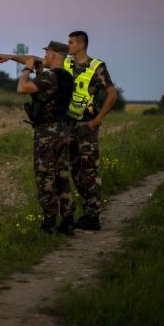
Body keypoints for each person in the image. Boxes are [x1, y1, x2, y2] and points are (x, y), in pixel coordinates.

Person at [0, 42, 76, 235]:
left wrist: (27, 69)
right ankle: (68, 219)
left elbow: (22, 88)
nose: (44, 56)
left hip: (47, 132)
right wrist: (11, 56)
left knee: (44, 176)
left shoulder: (49, 76)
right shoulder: (65, 75)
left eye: (47, 53)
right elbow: (34, 59)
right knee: (61, 175)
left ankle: (49, 222)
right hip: (63, 130)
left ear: (55, 55)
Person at [63, 30, 118, 231]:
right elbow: (40, 59)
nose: (68, 45)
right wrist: (11, 58)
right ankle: (88, 211)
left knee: (89, 171)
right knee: (75, 171)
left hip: (87, 127)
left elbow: (112, 94)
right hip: (69, 126)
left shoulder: (96, 67)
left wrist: (96, 120)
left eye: (70, 42)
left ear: (81, 44)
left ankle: (92, 216)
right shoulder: (66, 63)